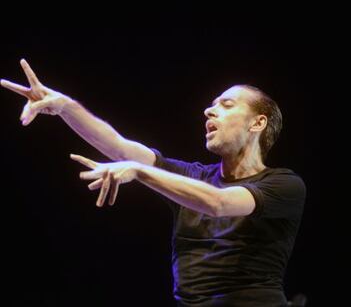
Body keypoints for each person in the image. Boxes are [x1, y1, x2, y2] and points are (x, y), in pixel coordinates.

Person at [1, 59, 306, 307]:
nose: (209, 110)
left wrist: (139, 171)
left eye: (227, 104)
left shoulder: (284, 185)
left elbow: (219, 203)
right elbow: (119, 147)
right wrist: (65, 107)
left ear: (258, 122)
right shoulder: (193, 177)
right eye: (212, 105)